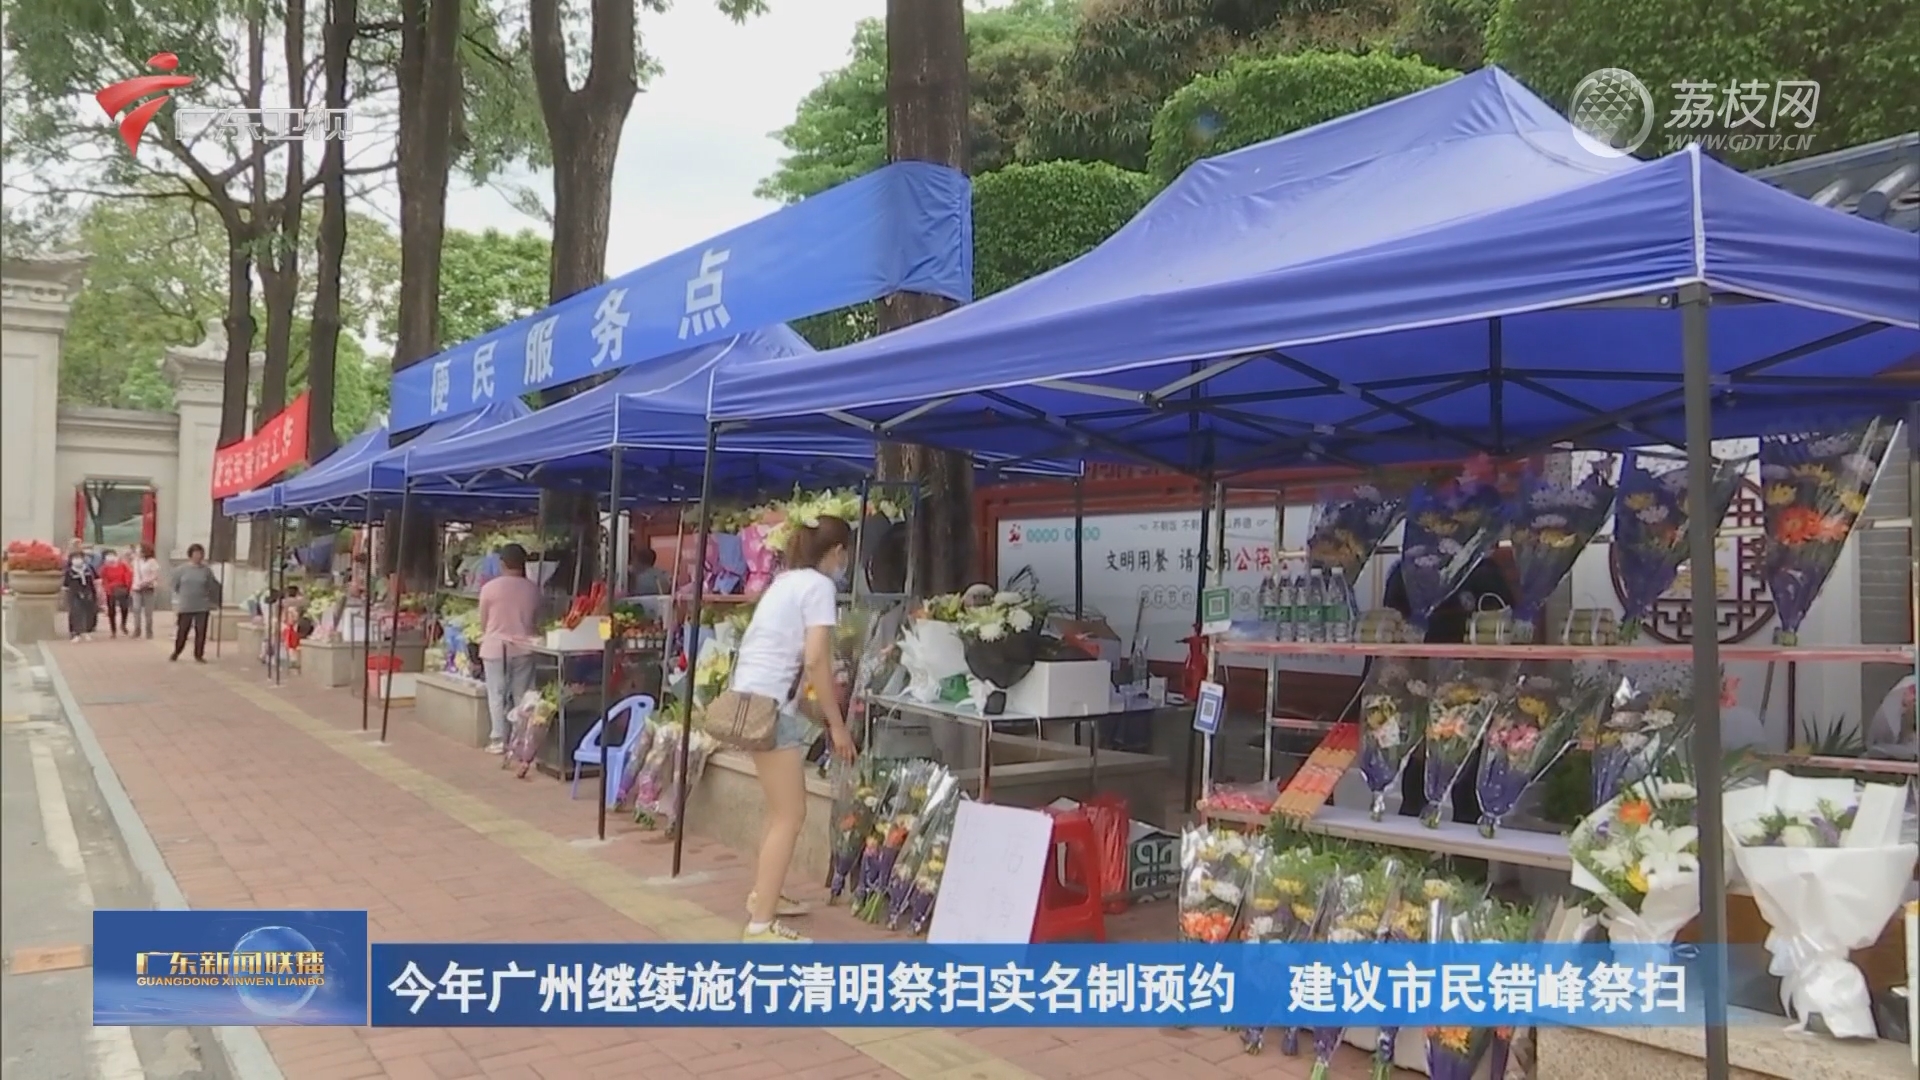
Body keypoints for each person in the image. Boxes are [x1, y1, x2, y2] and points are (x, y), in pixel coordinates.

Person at [726, 515, 858, 944]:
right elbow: (817, 657)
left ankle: (766, 895)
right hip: (771, 707)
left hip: (750, 699)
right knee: (791, 814)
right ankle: (761, 926)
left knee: (777, 810)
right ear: (837, 552)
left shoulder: (785, 581)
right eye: (846, 555)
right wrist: (836, 724)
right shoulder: (819, 587)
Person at [1379, 554, 1515, 825]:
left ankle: (1466, 864)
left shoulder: (1484, 573)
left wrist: (1491, 693)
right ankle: (1409, 860)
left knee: (1469, 798)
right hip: (1420, 696)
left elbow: (1506, 639)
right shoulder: (1405, 573)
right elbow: (1392, 641)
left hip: (1472, 703)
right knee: (1417, 792)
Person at [477, 543, 542, 754]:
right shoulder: (532, 588)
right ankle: (519, 739)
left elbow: (483, 621)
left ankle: (498, 739)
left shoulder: (489, 588)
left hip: (495, 647)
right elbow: (536, 618)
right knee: (521, 695)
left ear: (502, 563)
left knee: (496, 694)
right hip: (524, 646)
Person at [170, 543, 220, 663]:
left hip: (202, 605)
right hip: (186, 605)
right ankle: (177, 651)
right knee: (182, 631)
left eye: (200, 554)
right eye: (196, 553)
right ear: (190, 555)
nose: (198, 556)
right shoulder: (181, 570)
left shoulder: (206, 570)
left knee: (201, 631)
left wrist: (213, 601)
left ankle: (199, 654)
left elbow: (212, 586)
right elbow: (175, 586)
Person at [62, 547, 99, 641]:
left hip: (88, 592)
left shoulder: (89, 569)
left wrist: (95, 592)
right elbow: (66, 585)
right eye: (75, 558)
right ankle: (76, 633)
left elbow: (95, 581)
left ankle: (86, 631)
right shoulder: (69, 571)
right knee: (76, 612)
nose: (77, 560)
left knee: (87, 612)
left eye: (79, 558)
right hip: (74, 594)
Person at [100, 550, 134, 638]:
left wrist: (128, 588)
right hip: (111, 590)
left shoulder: (123, 566)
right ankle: (113, 630)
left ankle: (123, 624)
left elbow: (128, 576)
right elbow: (104, 579)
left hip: (122, 589)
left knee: (124, 608)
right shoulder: (105, 568)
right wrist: (108, 589)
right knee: (111, 611)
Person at [131, 544, 162, 639]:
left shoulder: (152, 562)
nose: (137, 551)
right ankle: (137, 629)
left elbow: (155, 575)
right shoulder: (136, 561)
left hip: (148, 587)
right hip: (136, 588)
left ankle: (149, 630)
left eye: (139, 549)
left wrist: (146, 581)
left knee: (148, 611)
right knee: (136, 609)